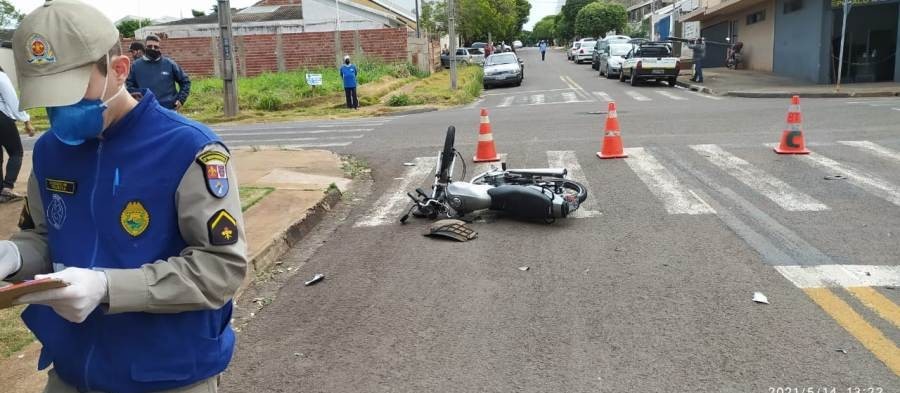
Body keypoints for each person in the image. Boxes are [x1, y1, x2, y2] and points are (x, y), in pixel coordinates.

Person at [1, 1, 247, 393]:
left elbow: (220, 269)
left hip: (166, 373)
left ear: (118, 70)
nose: (59, 109)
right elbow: (45, 237)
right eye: (48, 97)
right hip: (73, 367)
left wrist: (107, 287)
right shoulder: (49, 151)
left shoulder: (187, 148)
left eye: (69, 92)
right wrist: (14, 257)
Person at [126, 34, 192, 110]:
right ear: (145, 47)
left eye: (156, 47)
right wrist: (137, 101)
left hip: (169, 110)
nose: (153, 49)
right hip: (146, 111)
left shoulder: (169, 64)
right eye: (150, 46)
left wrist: (181, 99)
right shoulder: (135, 66)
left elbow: (185, 81)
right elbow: (130, 87)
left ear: (159, 48)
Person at [0, 66, 35, 203]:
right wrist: (26, 120)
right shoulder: (1, 77)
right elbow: (13, 101)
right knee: (16, 152)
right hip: (2, 118)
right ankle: (7, 188)